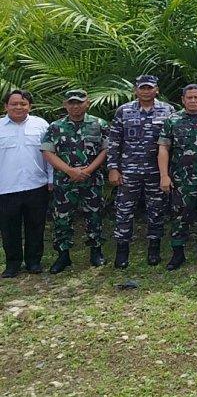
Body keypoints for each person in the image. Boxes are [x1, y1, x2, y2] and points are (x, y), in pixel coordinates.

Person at [107, 74, 174, 268]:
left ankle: (154, 249)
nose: (146, 91)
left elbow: (173, 142)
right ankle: (122, 252)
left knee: (157, 211)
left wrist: (168, 173)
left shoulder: (168, 110)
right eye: (142, 88)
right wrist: (113, 168)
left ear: (157, 90)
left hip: (156, 171)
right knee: (124, 211)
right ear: (136, 90)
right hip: (129, 171)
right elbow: (114, 141)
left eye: (150, 88)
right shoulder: (124, 111)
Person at [40, 90, 109, 274]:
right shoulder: (55, 126)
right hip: (65, 180)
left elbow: (106, 150)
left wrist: (88, 170)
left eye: (79, 102)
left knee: (94, 216)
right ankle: (63, 255)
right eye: (71, 103)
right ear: (65, 104)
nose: (75, 106)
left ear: (87, 103)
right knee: (62, 218)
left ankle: (96, 252)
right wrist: (70, 170)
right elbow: (47, 152)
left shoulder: (98, 124)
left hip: (92, 179)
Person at [157, 84, 197, 270]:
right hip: (181, 181)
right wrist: (164, 176)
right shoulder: (173, 120)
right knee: (179, 217)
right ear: (183, 100)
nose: (193, 101)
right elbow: (163, 148)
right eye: (189, 98)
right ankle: (178, 255)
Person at [0, 90, 51, 278]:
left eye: (23, 103)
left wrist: (51, 179)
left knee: (36, 225)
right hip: (6, 187)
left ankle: (34, 261)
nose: (19, 107)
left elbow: (49, 154)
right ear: (6, 106)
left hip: (36, 184)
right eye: (14, 104)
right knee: (9, 227)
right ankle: (12, 264)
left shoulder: (41, 125)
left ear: (30, 106)